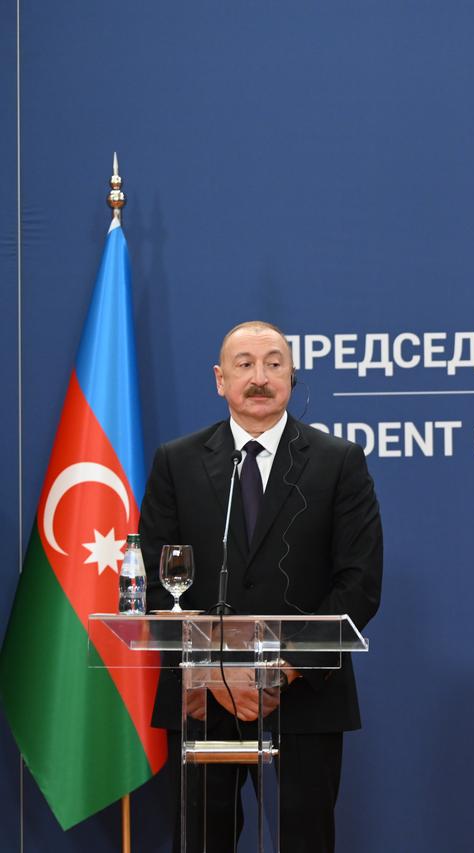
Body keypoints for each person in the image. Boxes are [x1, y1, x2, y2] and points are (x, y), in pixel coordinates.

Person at [139, 320, 383, 853]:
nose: (259, 377)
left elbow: (358, 585)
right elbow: (160, 583)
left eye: (274, 363)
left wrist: (281, 668)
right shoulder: (176, 463)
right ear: (218, 379)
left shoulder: (338, 462)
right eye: (244, 364)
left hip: (303, 697)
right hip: (202, 700)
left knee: (306, 840)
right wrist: (211, 669)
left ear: (292, 378)